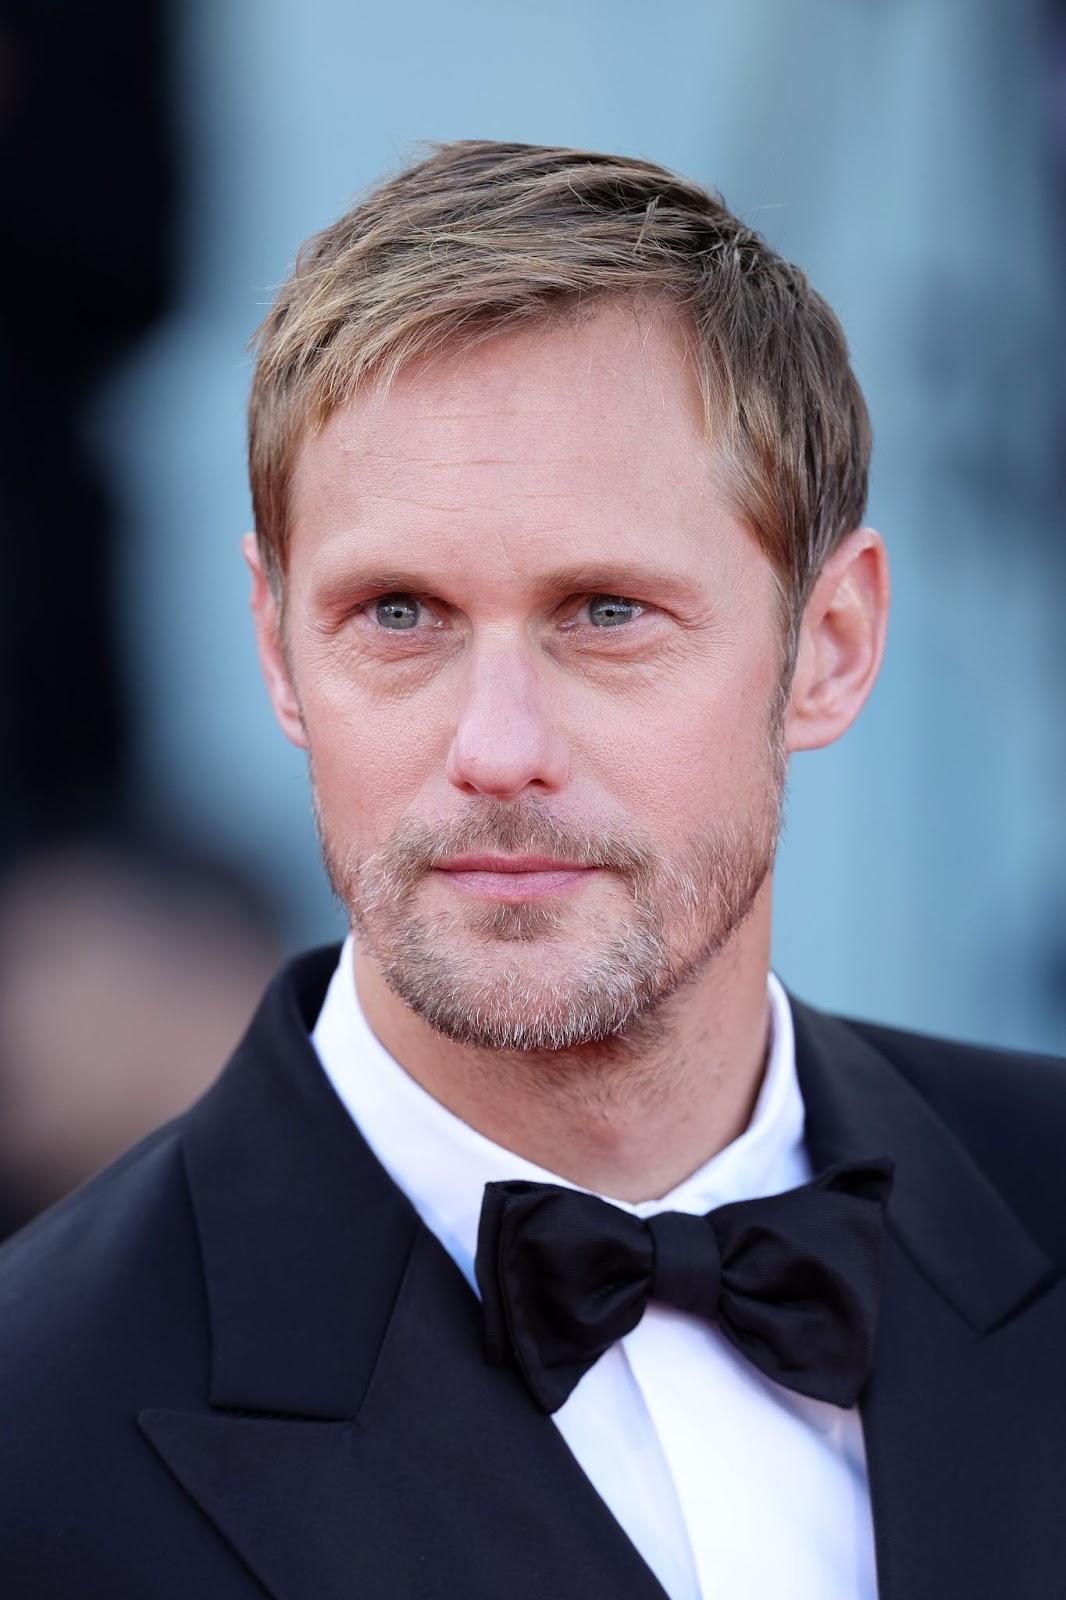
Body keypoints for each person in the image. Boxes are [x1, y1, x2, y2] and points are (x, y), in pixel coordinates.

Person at [1, 141, 1063, 1600]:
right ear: (277, 654)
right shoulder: (31, 1433)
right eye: (397, 614)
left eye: (605, 611)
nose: (495, 749)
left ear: (829, 647)